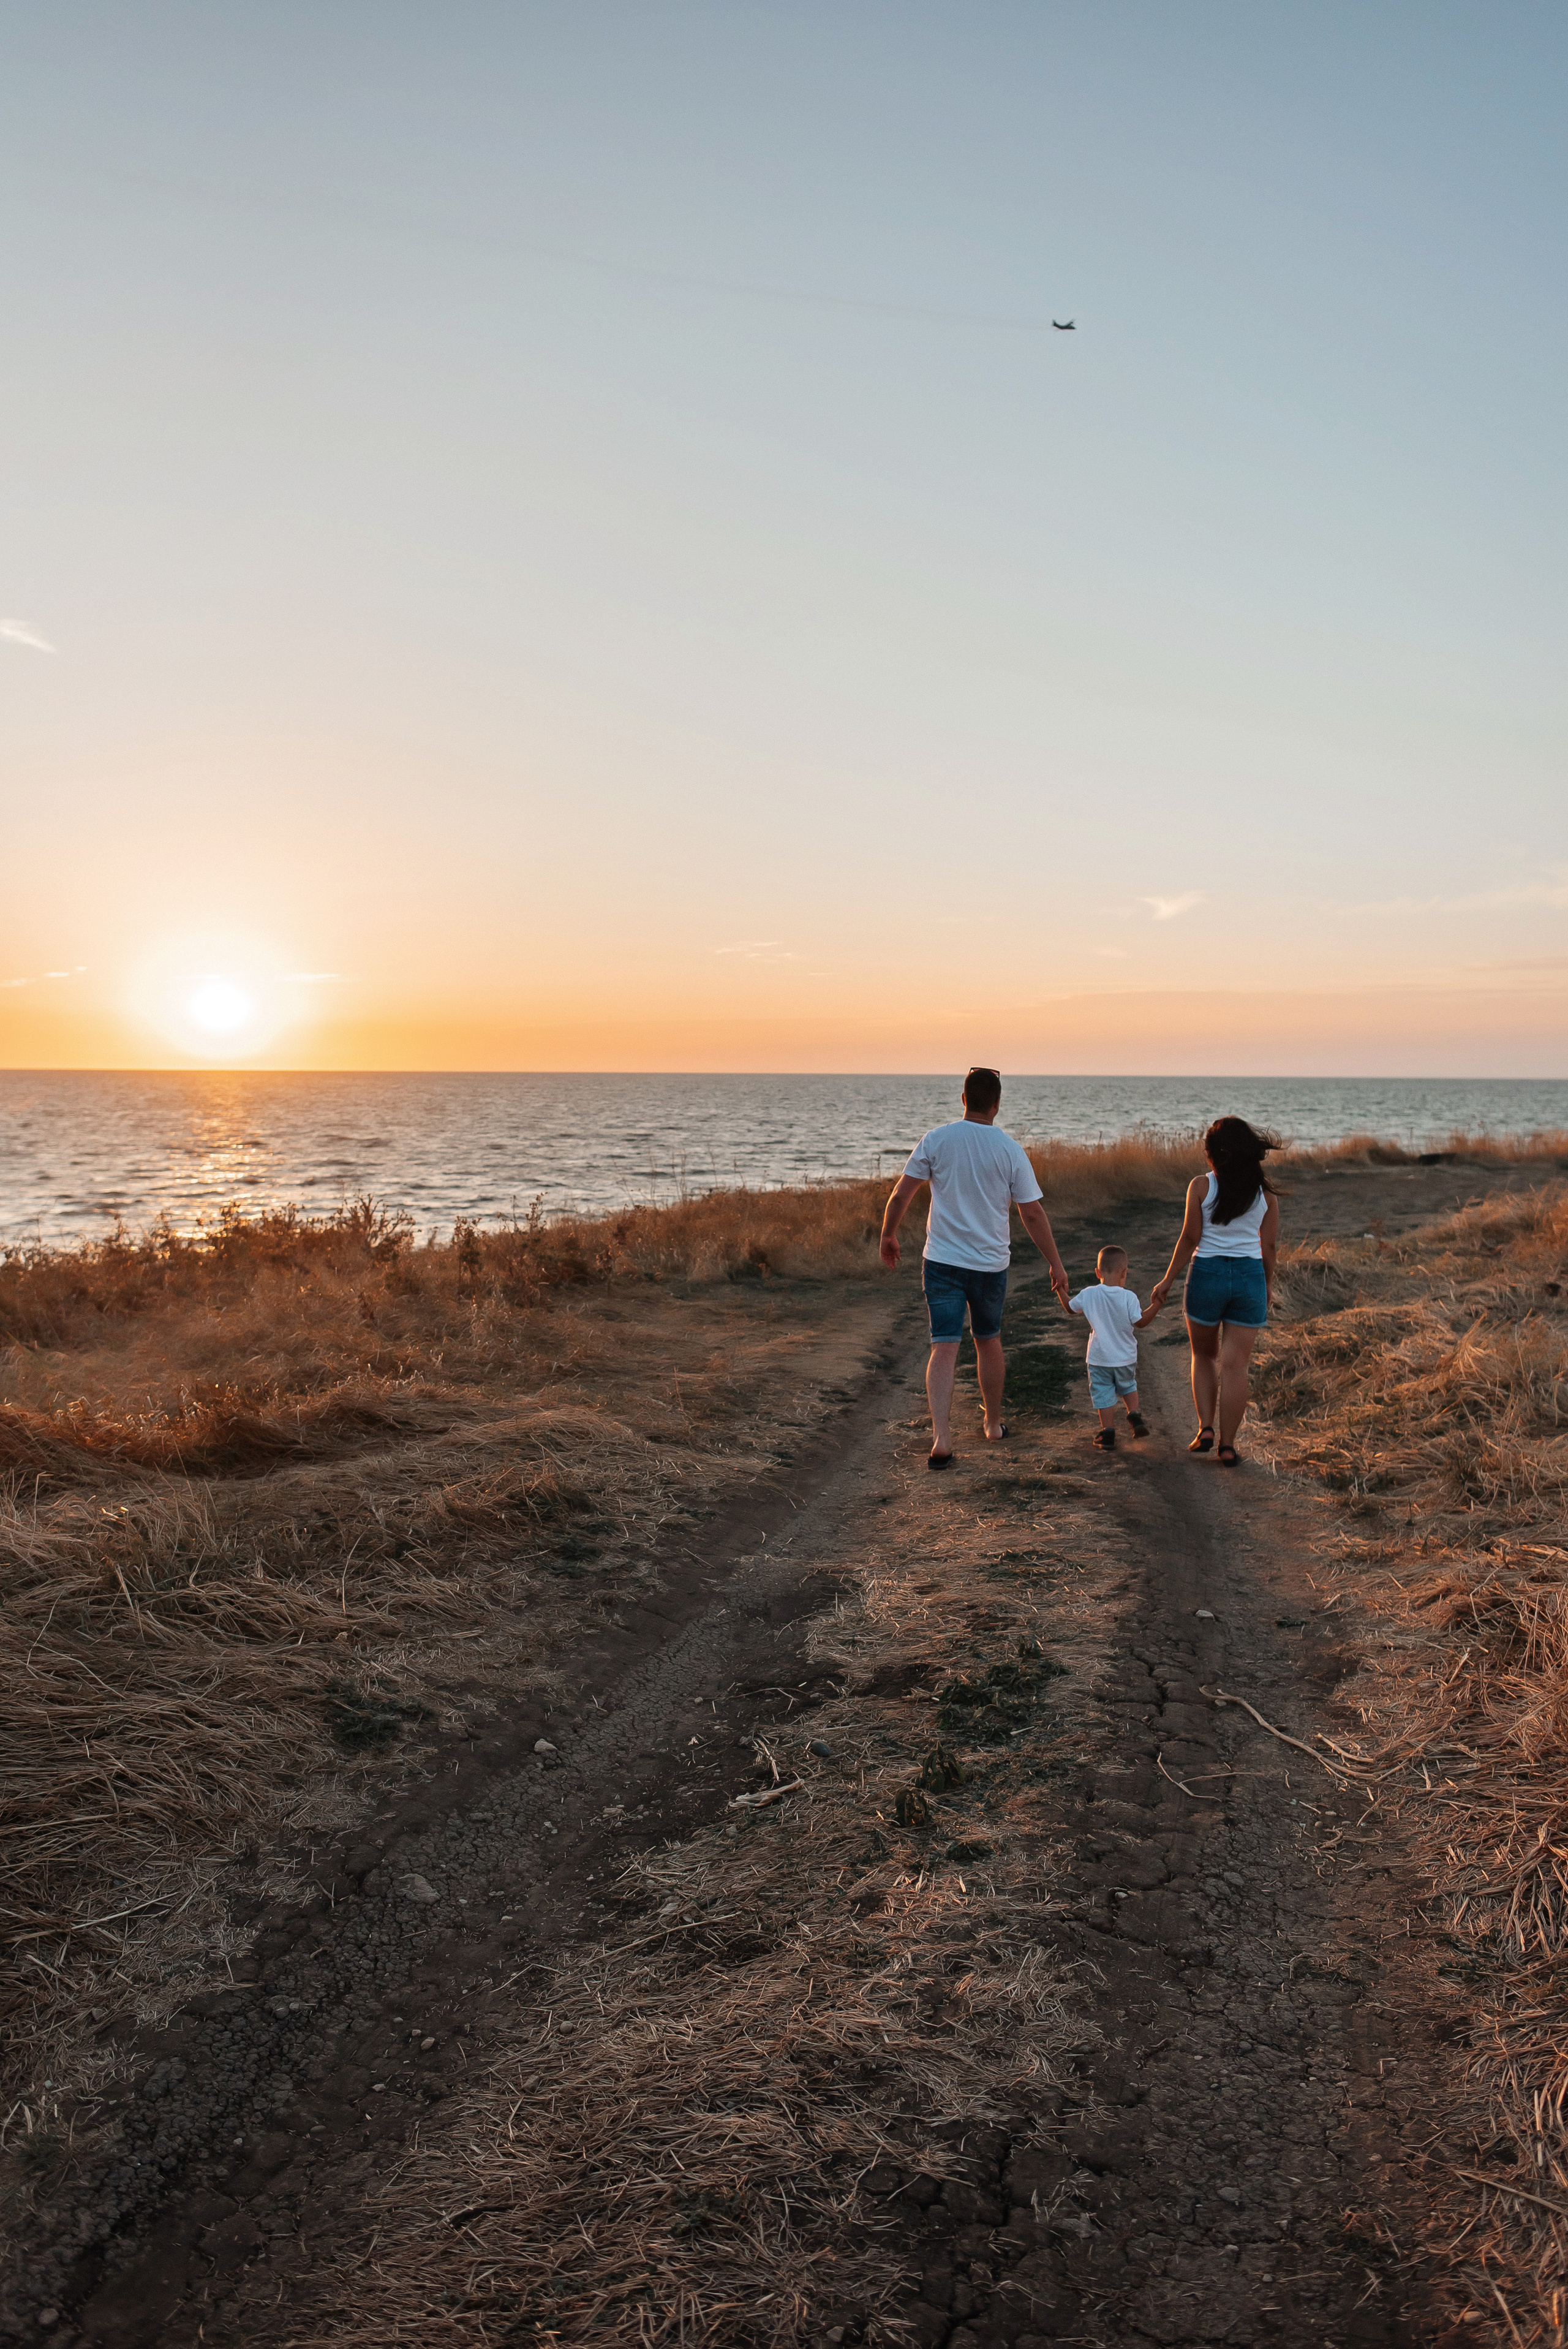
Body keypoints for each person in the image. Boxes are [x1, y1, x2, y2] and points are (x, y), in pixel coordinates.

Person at [880, 1067, 1068, 1469]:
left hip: (942, 1262)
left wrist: (888, 1234)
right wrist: (1056, 1264)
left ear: (963, 1099)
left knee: (944, 1347)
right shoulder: (1010, 1150)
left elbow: (901, 1194)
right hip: (989, 1265)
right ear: (997, 1105)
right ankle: (993, 1424)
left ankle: (942, 1438)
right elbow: (1032, 1215)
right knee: (988, 1340)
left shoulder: (937, 1139)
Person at [1150, 1116, 1281, 1467]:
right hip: (1249, 1276)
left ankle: (1205, 1428)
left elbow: (1190, 1238)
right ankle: (1228, 1445)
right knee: (1236, 1366)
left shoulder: (1201, 1187)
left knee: (1203, 1356)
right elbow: (1267, 1247)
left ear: (1213, 1154)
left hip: (1207, 1274)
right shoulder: (1265, 1194)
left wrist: (1167, 1280)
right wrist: (1267, 1285)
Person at [1059, 1243, 1159, 1450]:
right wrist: (1157, 1304)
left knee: (1103, 1394)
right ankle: (1134, 1415)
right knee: (1128, 1386)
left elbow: (1070, 1308)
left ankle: (1108, 1433)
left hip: (1099, 1359)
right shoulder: (1129, 1297)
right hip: (1125, 1358)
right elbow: (1140, 1322)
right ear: (1125, 1273)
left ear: (1098, 1273)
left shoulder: (1089, 1294)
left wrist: (1060, 1289)